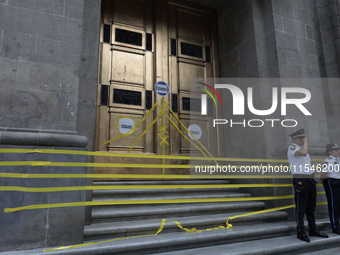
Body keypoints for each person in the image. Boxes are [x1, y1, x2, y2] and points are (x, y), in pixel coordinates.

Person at [287, 129, 328, 242]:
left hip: (309, 179)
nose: (302, 140)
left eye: (303, 138)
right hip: (300, 180)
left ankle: (313, 229)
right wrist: (305, 142)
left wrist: (311, 176)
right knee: (301, 208)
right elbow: (303, 153)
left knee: (311, 207)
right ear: (294, 139)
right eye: (300, 138)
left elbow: (306, 164)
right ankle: (300, 231)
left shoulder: (303, 148)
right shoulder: (293, 148)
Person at [320, 143, 340, 235]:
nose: (337, 151)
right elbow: (323, 174)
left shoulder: (338, 159)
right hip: (332, 182)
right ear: (330, 152)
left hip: (338, 182)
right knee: (333, 205)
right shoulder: (328, 161)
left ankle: (338, 224)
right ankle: (335, 227)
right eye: (335, 150)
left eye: (337, 149)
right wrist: (325, 184)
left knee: (338, 205)